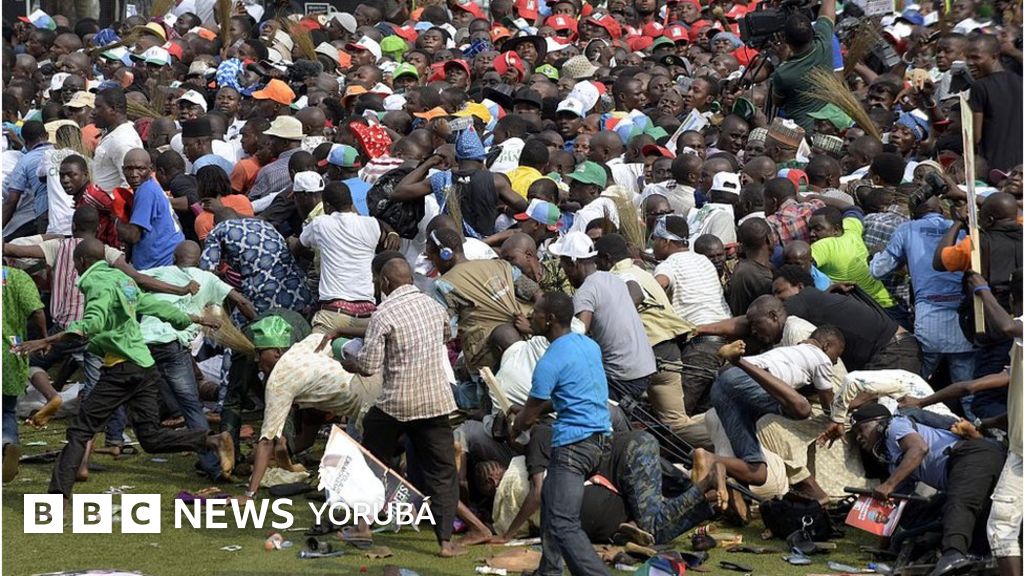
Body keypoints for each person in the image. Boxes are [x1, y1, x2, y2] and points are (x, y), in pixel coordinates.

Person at [13, 239, 235, 499]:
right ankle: (212, 440)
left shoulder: (96, 282)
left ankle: (57, 497)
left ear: (82, 262)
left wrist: (48, 340)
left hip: (120, 369)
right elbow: (155, 306)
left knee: (80, 430)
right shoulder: (123, 280)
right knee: (150, 438)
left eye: (75, 264)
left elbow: (93, 320)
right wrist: (195, 318)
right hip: (144, 367)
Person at [339, 256, 464, 557]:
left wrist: (351, 362)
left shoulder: (383, 314)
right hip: (434, 401)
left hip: (396, 402)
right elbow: (447, 335)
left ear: (385, 282)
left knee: (371, 463)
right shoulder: (435, 307)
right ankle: (445, 542)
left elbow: (369, 366)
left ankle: (363, 526)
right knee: (443, 472)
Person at [511, 291, 612, 576]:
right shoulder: (588, 345)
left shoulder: (549, 361)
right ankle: (549, 570)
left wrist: (515, 423)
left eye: (536, 313)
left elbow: (529, 417)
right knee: (550, 500)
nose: (531, 316)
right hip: (600, 439)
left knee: (563, 522)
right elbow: (570, 395)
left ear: (550, 319)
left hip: (573, 445)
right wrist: (528, 412)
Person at [850, 403, 1007, 576]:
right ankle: (980, 555)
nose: (858, 437)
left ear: (879, 424)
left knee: (958, 504)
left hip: (971, 455)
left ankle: (953, 554)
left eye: (861, 429)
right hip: (979, 461)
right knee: (979, 509)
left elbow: (919, 449)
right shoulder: (894, 461)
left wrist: (888, 485)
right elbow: (896, 505)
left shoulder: (895, 425)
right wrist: (883, 546)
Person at [706, 326, 844, 488]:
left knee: (757, 472)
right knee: (802, 409)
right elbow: (828, 403)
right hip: (742, 373)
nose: (835, 362)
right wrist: (842, 413)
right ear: (826, 346)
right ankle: (738, 360)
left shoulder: (791, 351)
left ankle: (706, 458)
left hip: (720, 387)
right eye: (837, 355)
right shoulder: (821, 357)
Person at [870, 196, 975, 386]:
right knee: (966, 387)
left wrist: (876, 253)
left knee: (916, 383)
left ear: (912, 213)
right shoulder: (962, 229)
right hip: (963, 316)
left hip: (929, 314)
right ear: (940, 210)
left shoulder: (908, 229)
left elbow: (878, 270)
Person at [553, 231, 657, 402]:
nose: (565, 274)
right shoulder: (614, 279)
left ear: (573, 263)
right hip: (646, 367)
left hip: (622, 377)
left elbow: (578, 335)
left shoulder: (585, 292)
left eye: (564, 267)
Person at [653, 215, 730, 414]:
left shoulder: (667, 266)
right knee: (709, 413)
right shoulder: (703, 260)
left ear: (666, 241)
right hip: (726, 342)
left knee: (677, 416)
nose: (653, 244)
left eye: (655, 239)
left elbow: (661, 282)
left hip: (699, 347)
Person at [300, 181, 389, 334]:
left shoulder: (320, 223)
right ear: (351, 202)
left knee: (314, 349)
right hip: (368, 314)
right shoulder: (372, 224)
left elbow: (302, 243)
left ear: (327, 206)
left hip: (334, 314)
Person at [2, 265, 46, 481]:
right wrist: (45, 337)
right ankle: (8, 444)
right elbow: (36, 310)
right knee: (7, 409)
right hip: (10, 350)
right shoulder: (18, 277)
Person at [768, 0, 837, 132]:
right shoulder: (824, 43)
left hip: (802, 132)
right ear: (813, 32)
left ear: (786, 40)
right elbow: (827, 14)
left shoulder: (783, 73)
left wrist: (783, 62)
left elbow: (777, 102)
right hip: (829, 125)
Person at [117, 149, 185, 270]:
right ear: (123, 170)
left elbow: (133, 236)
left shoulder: (146, 191)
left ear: (150, 169)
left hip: (160, 266)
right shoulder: (150, 186)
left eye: (140, 169)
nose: (134, 174)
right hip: (165, 260)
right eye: (129, 169)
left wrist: (116, 222)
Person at [967, 33, 1023, 172]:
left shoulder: (979, 86)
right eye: (967, 58)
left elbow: (976, 137)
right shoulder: (1020, 81)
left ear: (994, 56)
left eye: (975, 57)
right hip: (1019, 167)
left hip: (993, 166)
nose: (969, 63)